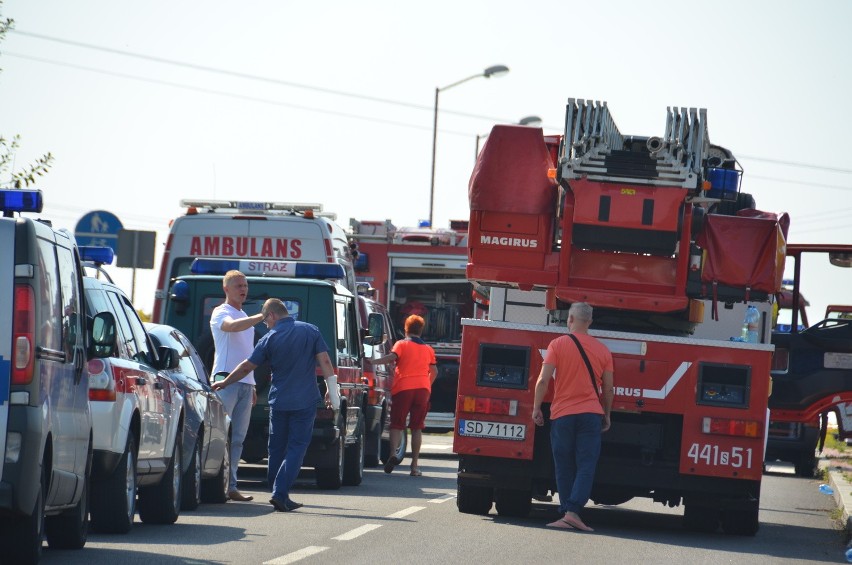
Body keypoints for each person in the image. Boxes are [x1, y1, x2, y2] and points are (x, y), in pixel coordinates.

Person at [213, 298, 339, 512]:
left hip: (279, 401)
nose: (266, 324)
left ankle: (278, 491)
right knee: (297, 446)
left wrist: (225, 382)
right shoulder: (310, 330)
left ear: (271, 315)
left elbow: (246, 367)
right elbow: (325, 361)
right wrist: (331, 389)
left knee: (276, 447)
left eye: (265, 320)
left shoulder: (269, 339)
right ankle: (280, 493)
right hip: (304, 400)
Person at [532, 302, 614, 532]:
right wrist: (606, 414)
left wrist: (537, 408)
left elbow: (543, 380)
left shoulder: (557, 345)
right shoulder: (603, 350)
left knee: (564, 464)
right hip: (590, 414)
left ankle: (567, 512)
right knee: (586, 464)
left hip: (562, 414)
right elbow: (608, 389)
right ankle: (573, 511)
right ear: (589, 322)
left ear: (570, 320)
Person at [210, 270, 265, 502]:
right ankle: (214, 485)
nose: (243, 289)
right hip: (225, 380)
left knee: (239, 438)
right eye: (238, 286)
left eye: (245, 285)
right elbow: (231, 327)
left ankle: (231, 485)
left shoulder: (241, 313)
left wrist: (251, 385)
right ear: (226, 289)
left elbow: (246, 351)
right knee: (221, 436)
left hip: (244, 382)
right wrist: (261, 316)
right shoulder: (222, 312)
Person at [368, 314, 437, 477]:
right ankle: (414, 466)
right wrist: (427, 385)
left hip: (404, 388)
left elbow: (392, 358)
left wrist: (372, 362)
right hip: (422, 390)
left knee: (397, 424)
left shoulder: (401, 344)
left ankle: (393, 453)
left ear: (406, 329)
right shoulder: (428, 349)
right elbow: (434, 371)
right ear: (421, 330)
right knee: (417, 427)